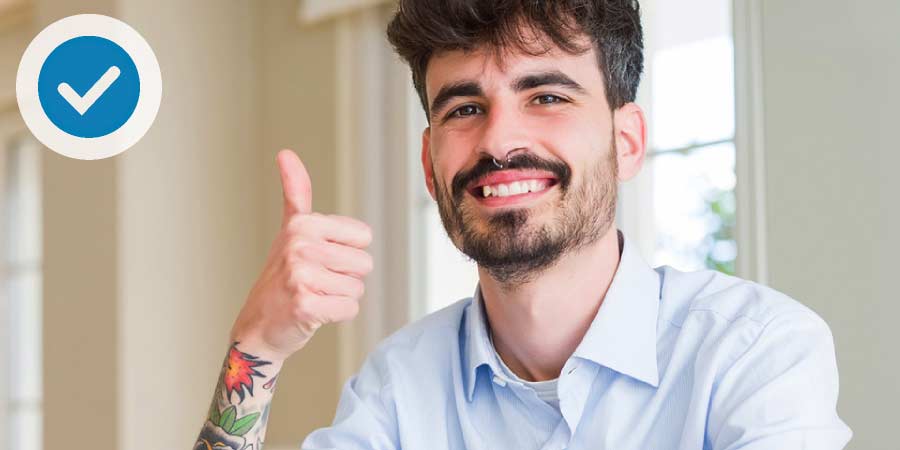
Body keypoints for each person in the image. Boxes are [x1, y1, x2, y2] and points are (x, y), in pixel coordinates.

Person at [193, 1, 852, 449]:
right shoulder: (399, 387)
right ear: (429, 165)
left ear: (626, 142)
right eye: (464, 107)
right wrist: (258, 347)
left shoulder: (755, 352)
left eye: (546, 96)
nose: (500, 139)